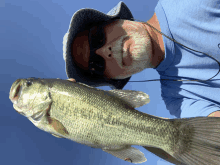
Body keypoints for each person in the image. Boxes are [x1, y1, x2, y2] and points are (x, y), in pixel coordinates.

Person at [63, 1, 220, 163]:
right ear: (114, 78)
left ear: (115, 20)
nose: (105, 51)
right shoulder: (176, 99)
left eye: (96, 37)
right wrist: (118, 125)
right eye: (96, 64)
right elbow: (211, 149)